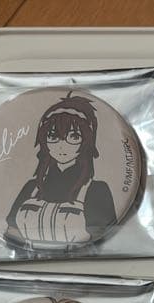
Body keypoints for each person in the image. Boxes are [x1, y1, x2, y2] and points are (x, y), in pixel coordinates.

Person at [7, 93, 117, 248]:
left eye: (74, 137)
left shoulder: (97, 190)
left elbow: (104, 239)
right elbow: (12, 232)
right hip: (26, 259)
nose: (61, 145)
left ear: (86, 141)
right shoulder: (31, 187)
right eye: (53, 136)